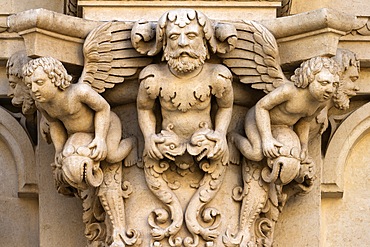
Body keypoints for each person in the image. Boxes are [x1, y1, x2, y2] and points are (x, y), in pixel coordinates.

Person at [136, 9, 234, 242]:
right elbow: (144, 109)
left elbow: (226, 107)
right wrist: (149, 137)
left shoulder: (217, 76)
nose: (182, 43)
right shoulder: (153, 78)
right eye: (173, 37)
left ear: (204, 41)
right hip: (164, 148)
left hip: (206, 147)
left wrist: (220, 135)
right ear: (164, 44)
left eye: (190, 36)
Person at [23, 56, 136, 166]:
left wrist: (100, 138)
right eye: (29, 85)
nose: (33, 89)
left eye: (39, 82)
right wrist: (59, 149)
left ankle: (132, 143)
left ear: (55, 79)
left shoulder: (79, 92)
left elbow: (103, 108)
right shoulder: (42, 104)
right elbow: (54, 123)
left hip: (107, 125)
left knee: (112, 156)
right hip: (76, 133)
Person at [229, 56, 339, 163]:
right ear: (309, 78)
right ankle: (233, 138)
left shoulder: (321, 102)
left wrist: (304, 146)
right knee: (256, 153)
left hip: (283, 128)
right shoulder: (289, 91)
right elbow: (261, 106)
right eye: (324, 83)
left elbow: (305, 122)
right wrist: (266, 138)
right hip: (257, 120)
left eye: (334, 85)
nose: (330, 90)